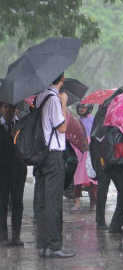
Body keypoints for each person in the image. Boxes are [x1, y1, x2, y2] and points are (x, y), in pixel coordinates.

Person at [34, 73, 75, 258]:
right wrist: (64, 103)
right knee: (53, 202)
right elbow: (62, 127)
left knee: (42, 201)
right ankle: (55, 246)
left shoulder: (40, 97)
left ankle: (43, 244)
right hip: (53, 156)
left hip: (42, 155)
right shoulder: (53, 99)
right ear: (62, 79)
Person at [0, 103, 27, 246]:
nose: (8, 110)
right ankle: (3, 236)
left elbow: (28, 144)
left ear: (16, 108)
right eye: (4, 107)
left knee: (17, 203)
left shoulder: (23, 124)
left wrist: (16, 138)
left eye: (11, 107)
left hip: (18, 169)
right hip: (2, 170)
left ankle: (16, 236)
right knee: (2, 202)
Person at [71, 104, 97, 211]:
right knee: (78, 178)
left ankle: (93, 204)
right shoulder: (76, 121)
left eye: (83, 107)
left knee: (93, 179)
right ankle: (77, 203)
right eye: (79, 107)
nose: (81, 109)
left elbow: (95, 135)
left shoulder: (93, 120)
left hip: (90, 152)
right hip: (79, 152)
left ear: (89, 108)